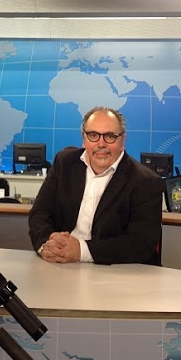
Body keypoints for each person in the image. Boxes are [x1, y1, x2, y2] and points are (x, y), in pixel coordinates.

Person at [28, 106, 164, 265]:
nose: (101, 144)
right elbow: (40, 213)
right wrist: (47, 244)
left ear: (123, 140)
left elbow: (140, 243)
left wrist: (81, 251)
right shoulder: (64, 163)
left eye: (110, 136)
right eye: (93, 135)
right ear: (84, 138)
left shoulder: (146, 182)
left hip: (117, 271)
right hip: (62, 265)